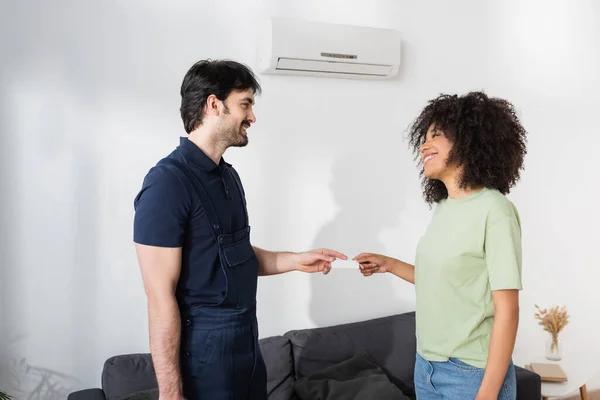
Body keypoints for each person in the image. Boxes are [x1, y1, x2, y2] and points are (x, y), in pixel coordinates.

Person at [133, 59, 347, 400]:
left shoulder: (228, 177)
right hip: (204, 359)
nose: (252, 117)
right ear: (213, 105)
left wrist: (295, 260)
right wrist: (171, 392)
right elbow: (159, 298)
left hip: (246, 345)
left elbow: (234, 256)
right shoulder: (166, 184)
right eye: (245, 104)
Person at [355, 91, 527, 400]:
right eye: (424, 136)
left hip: (470, 374)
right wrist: (390, 265)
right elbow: (449, 283)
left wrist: (486, 395)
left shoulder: (495, 210)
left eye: (436, 135)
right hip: (427, 368)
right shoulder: (446, 208)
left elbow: (508, 312)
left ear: (468, 141)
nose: (424, 144)